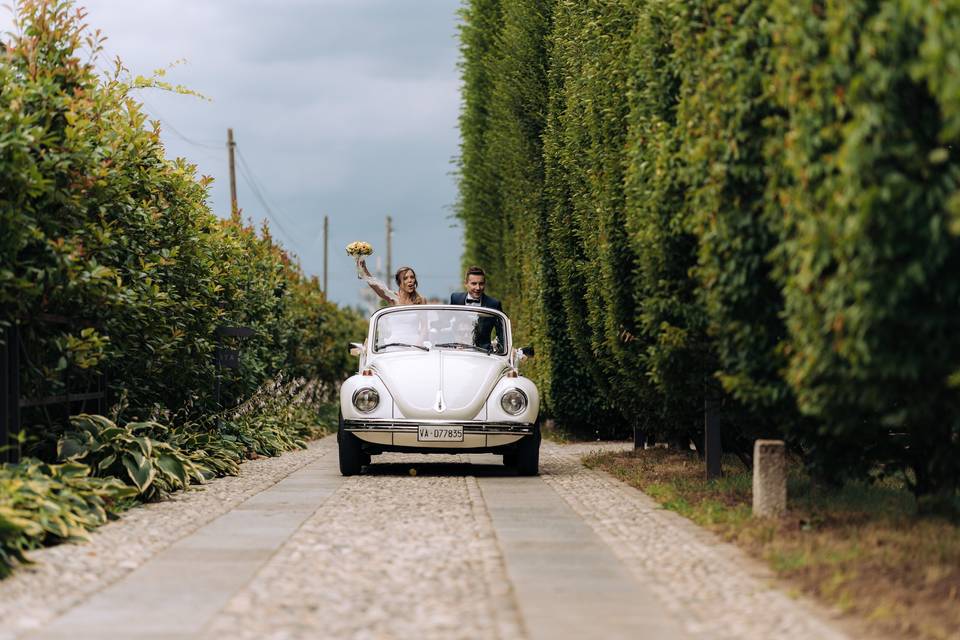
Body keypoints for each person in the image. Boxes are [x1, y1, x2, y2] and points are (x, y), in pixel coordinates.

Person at [450, 265, 502, 348]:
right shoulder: (455, 299)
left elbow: (501, 334)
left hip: (483, 353)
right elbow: (450, 323)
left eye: (481, 284)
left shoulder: (493, 304)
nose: (478, 288)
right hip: (458, 349)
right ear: (466, 284)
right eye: (474, 284)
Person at [357, 259, 427, 306]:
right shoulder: (394, 298)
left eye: (412, 277)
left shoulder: (420, 300)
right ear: (399, 282)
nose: (410, 280)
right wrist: (364, 269)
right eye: (405, 278)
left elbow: (424, 325)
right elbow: (377, 287)